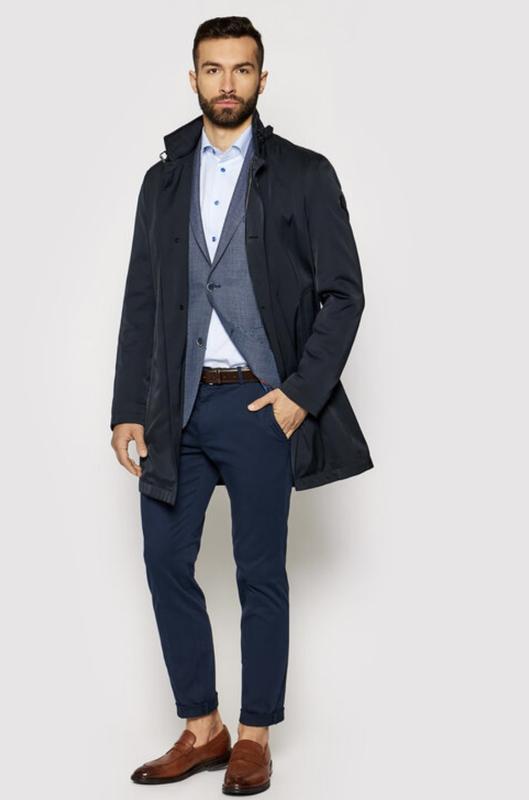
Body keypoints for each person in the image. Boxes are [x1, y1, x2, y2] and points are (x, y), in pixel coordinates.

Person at [110, 15, 373, 795]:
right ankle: (203, 728)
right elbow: (142, 296)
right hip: (176, 409)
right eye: (213, 69)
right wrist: (127, 406)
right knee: (165, 562)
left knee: (260, 571)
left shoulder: (304, 174)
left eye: (241, 69)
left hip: (261, 405)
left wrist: (298, 396)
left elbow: (343, 294)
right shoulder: (161, 181)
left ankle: (254, 735)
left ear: (262, 78)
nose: (227, 83)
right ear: (192, 78)